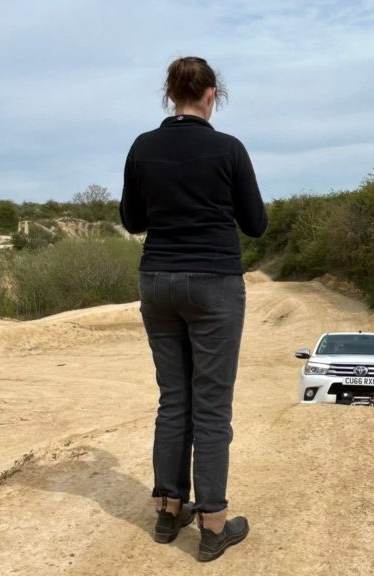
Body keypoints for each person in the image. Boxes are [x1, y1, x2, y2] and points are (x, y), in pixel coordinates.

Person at [119, 56, 267, 562]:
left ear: (170, 96)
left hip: (157, 280)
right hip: (214, 284)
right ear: (211, 96)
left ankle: (168, 510)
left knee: (173, 398)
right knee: (211, 404)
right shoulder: (228, 148)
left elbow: (132, 220)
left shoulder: (143, 147)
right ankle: (214, 525)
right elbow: (256, 224)